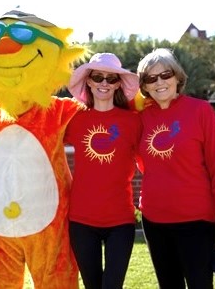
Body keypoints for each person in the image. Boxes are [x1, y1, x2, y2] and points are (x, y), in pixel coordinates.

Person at [136, 48, 215, 288]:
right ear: (145, 87)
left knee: (200, 284)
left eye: (165, 74)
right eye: (150, 78)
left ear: (177, 77)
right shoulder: (139, 118)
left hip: (196, 221)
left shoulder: (200, 111)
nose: (159, 82)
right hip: (154, 220)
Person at [64, 53, 142, 289]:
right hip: (81, 220)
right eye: (98, 77)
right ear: (89, 80)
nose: (104, 84)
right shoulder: (74, 119)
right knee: (92, 285)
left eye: (111, 78)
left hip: (121, 220)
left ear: (118, 83)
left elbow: (149, 160)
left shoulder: (133, 121)